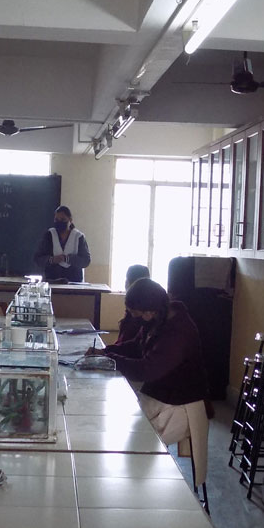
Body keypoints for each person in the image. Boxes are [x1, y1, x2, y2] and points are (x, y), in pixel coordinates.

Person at [87, 278, 211, 503]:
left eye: (141, 314)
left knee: (136, 446)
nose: (139, 319)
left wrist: (111, 359)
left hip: (180, 406)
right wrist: (106, 352)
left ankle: (132, 497)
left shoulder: (178, 330)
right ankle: (127, 492)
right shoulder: (158, 318)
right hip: (158, 397)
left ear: (152, 308)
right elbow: (137, 346)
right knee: (119, 431)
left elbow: (147, 369)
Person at [33, 205, 91, 282]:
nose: (59, 222)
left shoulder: (79, 237)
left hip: (74, 282)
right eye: (56, 219)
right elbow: (38, 259)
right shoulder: (49, 235)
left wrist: (68, 258)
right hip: (52, 281)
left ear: (70, 220)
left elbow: (86, 261)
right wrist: (52, 260)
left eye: (63, 219)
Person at [115, 264, 151, 343]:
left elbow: (128, 346)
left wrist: (107, 351)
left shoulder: (137, 313)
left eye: (127, 280)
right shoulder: (148, 307)